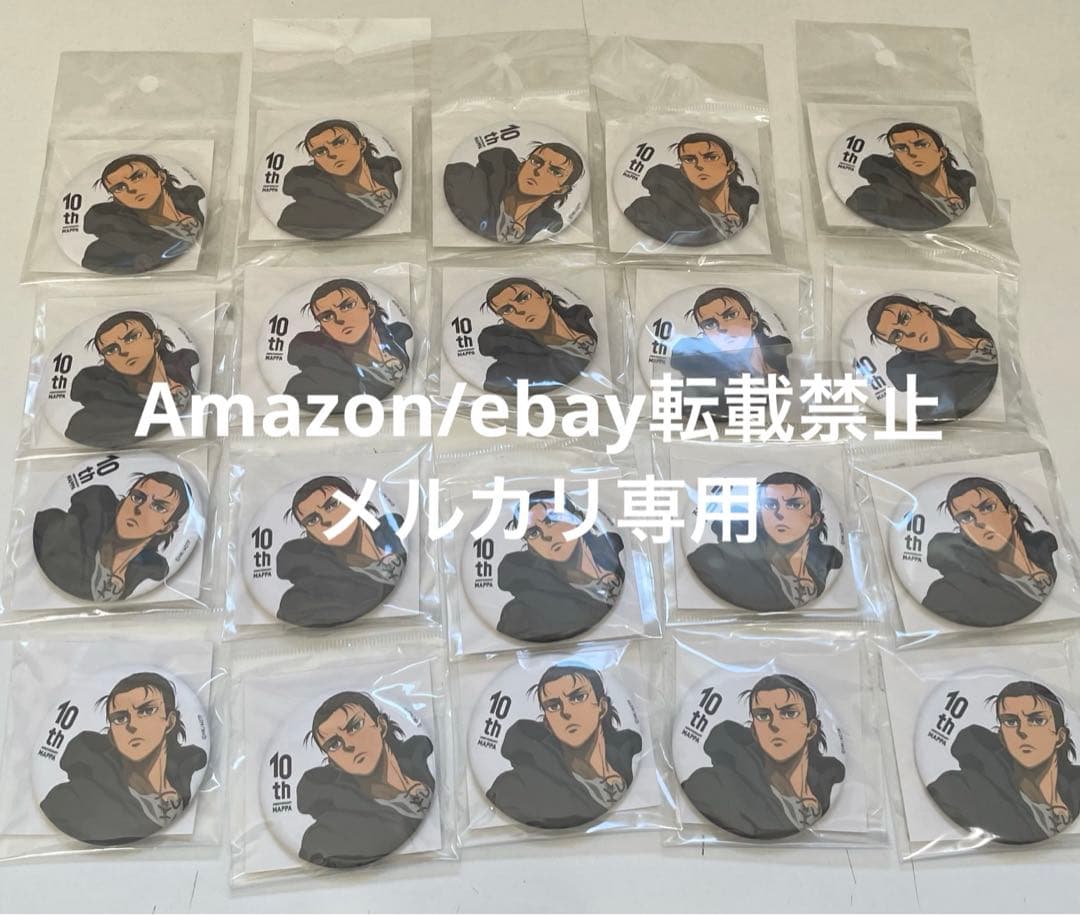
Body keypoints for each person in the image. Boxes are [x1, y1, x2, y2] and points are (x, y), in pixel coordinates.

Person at [39, 672, 207, 846]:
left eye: (147, 711)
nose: (132, 725)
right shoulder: (72, 800)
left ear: (169, 722)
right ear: (112, 733)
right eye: (120, 718)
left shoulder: (193, 779)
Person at [681, 674, 846, 839]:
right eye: (763, 715)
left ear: (811, 729)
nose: (775, 724)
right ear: (754, 731)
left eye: (789, 713)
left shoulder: (829, 790)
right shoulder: (714, 786)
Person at [486, 664, 641, 829]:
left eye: (578, 697)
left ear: (602, 707)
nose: (566, 712)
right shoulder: (515, 788)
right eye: (553, 706)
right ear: (547, 723)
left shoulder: (634, 759)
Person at [928, 681, 1080, 844]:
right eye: (1011, 722)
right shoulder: (967, 790)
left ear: (1060, 737)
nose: (1022, 731)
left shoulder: (1075, 789)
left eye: (1037, 720)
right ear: (1002, 737)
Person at [297, 691, 434, 867]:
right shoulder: (329, 834)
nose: (349, 745)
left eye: (355, 726)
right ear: (333, 761)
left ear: (381, 726)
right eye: (334, 744)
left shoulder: (429, 760)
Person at [687, 472, 843, 612]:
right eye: (770, 505)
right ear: (760, 516)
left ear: (815, 520)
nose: (780, 514)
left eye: (795, 505)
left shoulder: (825, 563)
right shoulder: (715, 561)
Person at [33, 471, 193, 602]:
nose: (139, 509)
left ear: (166, 527)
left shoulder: (150, 574)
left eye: (158, 507)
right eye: (137, 497)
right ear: (123, 502)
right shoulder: (60, 529)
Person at [923, 477, 1058, 627]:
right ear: (963, 532)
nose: (980, 522)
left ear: (1012, 514)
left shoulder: (1051, 554)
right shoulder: (952, 591)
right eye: (966, 518)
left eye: (987, 508)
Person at [276, 476, 407, 628]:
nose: (326, 520)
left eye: (332, 505)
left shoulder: (397, 531)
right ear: (311, 534)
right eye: (312, 520)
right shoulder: (319, 590)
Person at [496, 490, 625, 642]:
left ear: (576, 519)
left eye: (551, 520)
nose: (546, 536)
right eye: (533, 533)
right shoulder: (523, 613)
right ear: (531, 547)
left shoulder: (619, 554)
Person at [65, 311, 199, 448]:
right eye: (111, 350)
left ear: (155, 338)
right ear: (108, 362)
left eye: (132, 337)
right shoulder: (92, 421)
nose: (123, 351)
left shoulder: (190, 368)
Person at [283, 279, 412, 412]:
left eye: (347, 306)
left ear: (370, 309)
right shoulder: (314, 381)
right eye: (327, 316)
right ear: (324, 329)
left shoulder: (400, 338)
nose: (339, 319)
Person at [863, 294, 998, 421]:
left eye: (905, 318)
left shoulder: (968, 322)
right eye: (897, 336)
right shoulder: (934, 388)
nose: (909, 333)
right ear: (902, 347)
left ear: (925, 311)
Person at [669, 286, 791, 421]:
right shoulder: (707, 368)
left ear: (753, 320)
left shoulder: (779, 349)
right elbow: (681, 352)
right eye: (710, 324)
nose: (722, 328)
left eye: (731, 315)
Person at [624, 132, 759, 246]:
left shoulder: (749, 204)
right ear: (683, 170)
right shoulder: (649, 210)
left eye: (711, 157)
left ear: (730, 167)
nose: (700, 165)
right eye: (689, 159)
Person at [277, 120, 402, 240]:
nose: (332, 154)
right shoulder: (302, 213)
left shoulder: (388, 175)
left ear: (361, 145)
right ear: (318, 163)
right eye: (320, 152)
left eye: (339, 142)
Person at [82, 154, 205, 275]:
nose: (131, 189)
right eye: (119, 188)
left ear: (161, 177)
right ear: (117, 199)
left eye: (138, 177)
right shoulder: (112, 246)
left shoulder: (197, 201)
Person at [443, 141, 584, 243]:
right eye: (536, 162)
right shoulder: (465, 179)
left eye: (555, 172)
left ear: (561, 189)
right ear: (523, 165)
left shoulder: (548, 225)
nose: (539, 172)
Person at [845, 122, 977, 231]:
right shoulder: (876, 196)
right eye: (901, 148)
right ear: (897, 158)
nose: (912, 153)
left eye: (921, 144)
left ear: (942, 153)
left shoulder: (968, 186)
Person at [477, 277, 597, 395]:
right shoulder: (509, 369)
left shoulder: (589, 320)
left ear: (546, 298)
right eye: (507, 310)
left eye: (524, 298)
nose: (519, 310)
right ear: (507, 321)